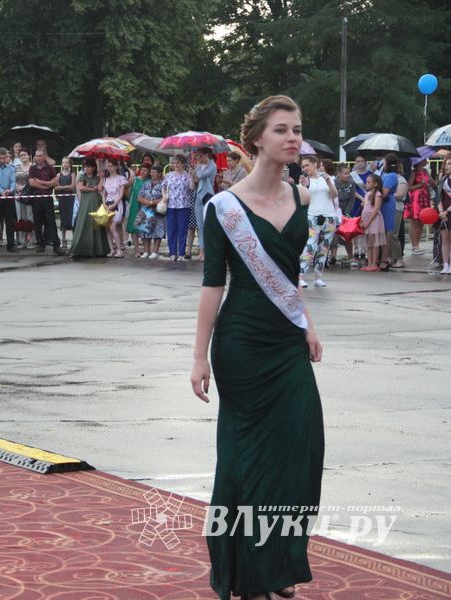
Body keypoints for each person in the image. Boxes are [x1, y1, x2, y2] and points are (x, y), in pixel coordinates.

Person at [191, 95, 322, 600]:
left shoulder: (304, 199)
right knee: (249, 460)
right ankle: (247, 573)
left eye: (297, 129)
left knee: (299, 452)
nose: (293, 138)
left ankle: (277, 564)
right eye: (282, 130)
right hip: (241, 343)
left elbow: (291, 278)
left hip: (287, 342)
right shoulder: (223, 208)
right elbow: (211, 286)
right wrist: (198, 356)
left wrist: (307, 325)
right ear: (257, 139)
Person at [299, 155, 340, 287]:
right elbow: (302, 199)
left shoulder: (326, 178)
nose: (305, 168)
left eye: (307, 165)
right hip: (312, 216)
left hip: (329, 217)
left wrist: (328, 182)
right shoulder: (304, 180)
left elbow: (334, 195)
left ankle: (318, 277)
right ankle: (300, 276)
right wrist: (303, 186)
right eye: (303, 166)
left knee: (324, 248)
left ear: (315, 164)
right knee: (310, 246)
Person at [69, 158, 109, 258]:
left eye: (89, 167)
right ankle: (80, 249)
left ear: (93, 168)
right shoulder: (82, 176)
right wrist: (92, 189)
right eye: (85, 167)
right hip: (85, 203)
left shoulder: (97, 177)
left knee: (96, 224)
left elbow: (99, 188)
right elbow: (81, 187)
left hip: (96, 202)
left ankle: (99, 250)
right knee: (84, 223)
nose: (86, 169)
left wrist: (102, 177)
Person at [162, 154, 193, 260]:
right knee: (171, 230)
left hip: (184, 205)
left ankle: (181, 253)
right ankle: (172, 252)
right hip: (171, 205)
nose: (175, 165)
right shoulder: (169, 175)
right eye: (174, 162)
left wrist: (192, 176)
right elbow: (163, 187)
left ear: (183, 164)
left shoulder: (187, 175)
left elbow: (192, 188)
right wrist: (165, 196)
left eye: (178, 163)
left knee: (182, 230)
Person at [189, 148, 217, 261]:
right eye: (197, 156)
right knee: (200, 226)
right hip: (198, 197)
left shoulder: (212, 165)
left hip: (207, 196)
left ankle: (208, 251)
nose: (198, 158)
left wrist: (196, 169)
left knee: (207, 226)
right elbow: (195, 181)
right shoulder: (198, 166)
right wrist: (193, 173)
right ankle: (201, 251)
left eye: (200, 155)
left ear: (207, 155)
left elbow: (200, 176)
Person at [135, 163, 166, 258]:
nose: (152, 174)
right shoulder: (146, 183)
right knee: (144, 231)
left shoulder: (163, 184)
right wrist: (147, 202)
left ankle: (155, 251)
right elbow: (139, 197)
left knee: (157, 231)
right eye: (151, 172)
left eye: (154, 172)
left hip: (157, 210)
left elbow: (164, 197)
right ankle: (146, 251)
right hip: (145, 209)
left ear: (160, 173)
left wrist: (152, 202)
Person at [379, 153, 403, 269]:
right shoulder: (387, 175)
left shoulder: (390, 176)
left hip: (388, 205)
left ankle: (398, 258)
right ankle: (388, 257)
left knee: (391, 233)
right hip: (386, 205)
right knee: (386, 233)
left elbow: (384, 193)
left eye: (384, 163)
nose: (382, 165)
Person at [405, 160, 434, 256]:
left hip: (425, 197)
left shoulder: (426, 171)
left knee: (422, 221)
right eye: (424, 159)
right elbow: (408, 187)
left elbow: (434, 184)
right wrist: (420, 184)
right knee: (415, 222)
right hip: (415, 199)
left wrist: (432, 181)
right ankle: (414, 246)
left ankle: (417, 245)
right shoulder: (414, 172)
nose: (426, 160)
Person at [359, 174, 387, 272]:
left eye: (369, 182)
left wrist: (369, 221)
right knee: (369, 243)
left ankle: (374, 263)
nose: (366, 184)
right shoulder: (367, 194)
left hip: (374, 220)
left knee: (375, 243)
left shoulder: (377, 194)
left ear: (375, 184)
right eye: (366, 182)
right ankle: (369, 263)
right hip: (367, 220)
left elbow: (376, 210)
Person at [124, 158, 151, 257]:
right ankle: (136, 251)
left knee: (144, 228)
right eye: (142, 170)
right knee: (134, 228)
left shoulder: (150, 181)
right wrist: (128, 197)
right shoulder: (135, 180)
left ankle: (146, 251)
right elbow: (123, 186)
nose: (143, 172)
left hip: (145, 206)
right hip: (134, 205)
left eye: (146, 170)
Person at [101, 160, 127, 258]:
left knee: (113, 226)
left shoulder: (121, 178)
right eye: (108, 166)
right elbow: (103, 193)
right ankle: (112, 249)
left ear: (116, 167)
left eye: (111, 166)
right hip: (107, 203)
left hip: (117, 204)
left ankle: (119, 250)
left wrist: (115, 203)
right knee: (107, 228)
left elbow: (121, 194)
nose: (110, 168)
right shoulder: (106, 179)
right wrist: (104, 203)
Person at [55, 156, 77, 249]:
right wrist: (63, 188)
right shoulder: (58, 175)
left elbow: (72, 187)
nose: (64, 164)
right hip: (62, 199)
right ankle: (63, 240)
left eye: (66, 162)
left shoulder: (72, 174)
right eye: (63, 162)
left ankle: (74, 239)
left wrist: (62, 187)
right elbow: (56, 187)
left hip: (71, 198)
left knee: (71, 218)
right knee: (63, 219)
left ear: (70, 164)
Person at [435, 156, 451, 273]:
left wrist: (447, 211)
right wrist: (441, 211)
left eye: (449, 164)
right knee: (444, 239)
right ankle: (445, 265)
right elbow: (438, 197)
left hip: (449, 211)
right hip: (443, 213)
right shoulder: (443, 180)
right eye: (446, 164)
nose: (447, 166)